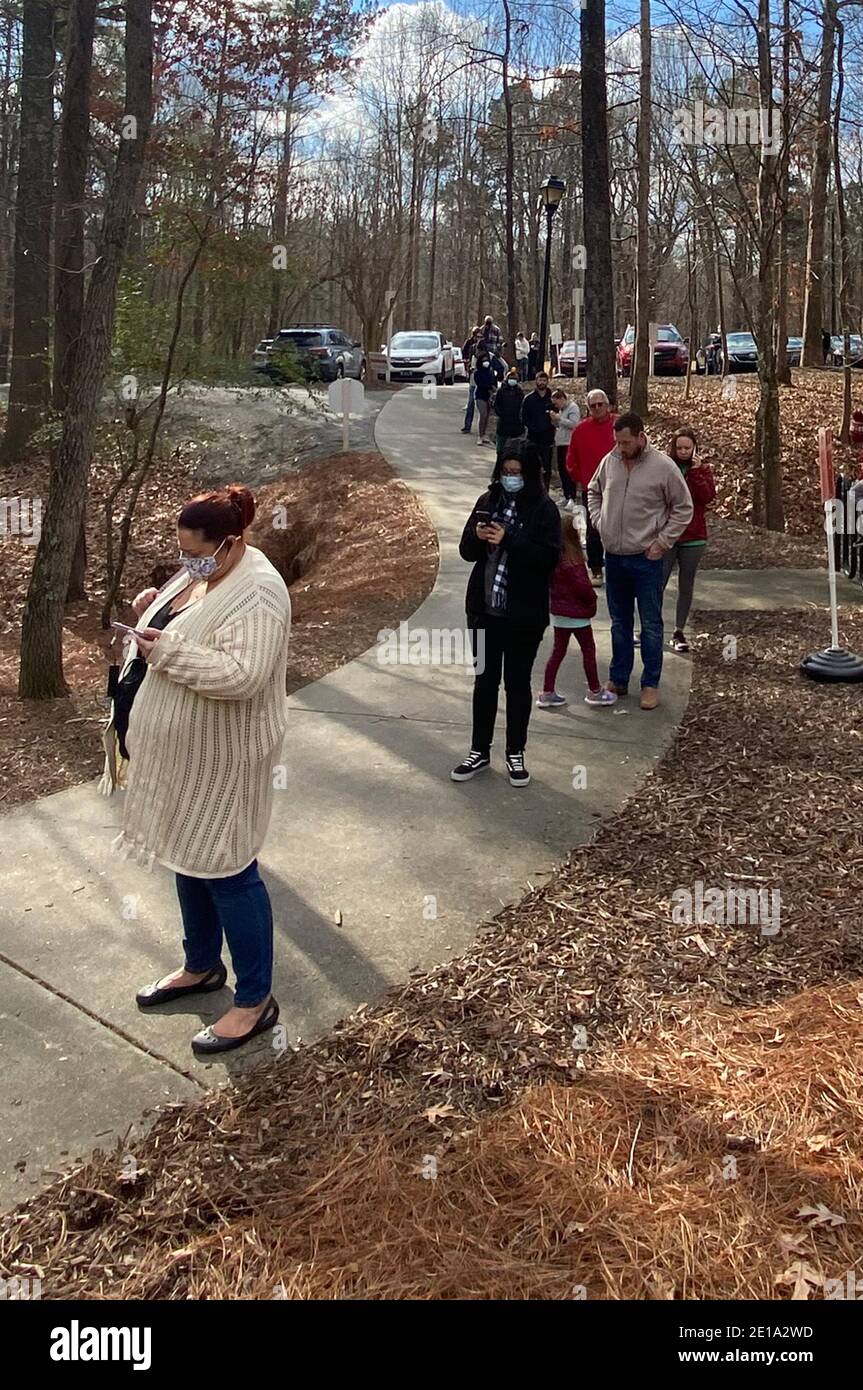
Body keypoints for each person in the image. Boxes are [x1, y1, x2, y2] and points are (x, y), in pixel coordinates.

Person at [100, 485, 291, 1055]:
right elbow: (189, 624)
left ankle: (255, 1000)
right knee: (189, 859)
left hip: (224, 759)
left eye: (198, 555)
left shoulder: (260, 591)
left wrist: (168, 652)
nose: (189, 564)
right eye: (183, 553)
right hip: (182, 758)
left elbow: (243, 675)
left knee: (229, 869)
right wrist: (150, 614)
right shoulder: (202, 573)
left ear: (232, 543)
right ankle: (202, 966)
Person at [452, 441, 561, 787]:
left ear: (529, 474)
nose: (511, 478)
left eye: (517, 473)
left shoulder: (544, 510)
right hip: (484, 612)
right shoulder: (488, 502)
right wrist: (478, 535)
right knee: (485, 681)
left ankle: (515, 751)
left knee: (516, 684)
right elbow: (466, 552)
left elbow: (548, 560)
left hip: (523, 616)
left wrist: (510, 539)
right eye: (506, 472)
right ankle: (479, 750)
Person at [588, 412, 693, 711]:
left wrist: (662, 542)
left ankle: (650, 683)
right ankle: (619, 679)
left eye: (626, 442)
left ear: (640, 437)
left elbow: (683, 508)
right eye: (617, 442)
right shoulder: (609, 462)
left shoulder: (663, 467)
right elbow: (593, 491)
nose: (621, 448)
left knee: (650, 624)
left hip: (646, 558)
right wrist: (599, 521)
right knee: (620, 623)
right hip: (615, 557)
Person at [537, 512, 617, 709]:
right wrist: (592, 600)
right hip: (578, 615)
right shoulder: (574, 562)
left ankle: (547, 691)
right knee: (588, 651)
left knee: (557, 652)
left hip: (559, 614)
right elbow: (583, 588)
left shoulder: (553, 559)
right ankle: (595, 690)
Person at [662, 427, 716, 652]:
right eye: (680, 447)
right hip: (667, 535)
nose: (683, 452)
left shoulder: (702, 470)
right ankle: (648, 628)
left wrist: (696, 472)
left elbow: (707, 497)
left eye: (688, 448)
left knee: (686, 584)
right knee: (656, 583)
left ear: (695, 449)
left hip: (694, 536)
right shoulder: (664, 468)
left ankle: (679, 631)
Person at [566, 388, 616, 584]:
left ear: (608, 405)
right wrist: (582, 479)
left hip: (618, 486)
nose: (597, 408)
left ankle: (617, 566)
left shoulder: (619, 424)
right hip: (592, 487)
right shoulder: (580, 429)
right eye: (592, 405)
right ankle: (595, 568)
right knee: (594, 528)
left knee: (617, 526)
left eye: (600, 404)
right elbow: (571, 461)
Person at [521, 370, 558, 491]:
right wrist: (533, 427)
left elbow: (558, 414)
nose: (542, 382)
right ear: (536, 381)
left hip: (547, 438)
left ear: (547, 382)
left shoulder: (552, 399)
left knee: (546, 467)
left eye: (544, 380)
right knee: (531, 465)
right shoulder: (529, 399)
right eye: (540, 380)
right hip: (533, 437)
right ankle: (531, 489)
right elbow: (523, 417)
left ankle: (545, 491)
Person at [551, 389, 580, 500]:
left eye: (556, 403)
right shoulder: (562, 410)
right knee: (561, 470)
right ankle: (566, 494)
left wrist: (559, 418)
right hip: (560, 442)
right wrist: (554, 420)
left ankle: (571, 496)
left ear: (562, 399)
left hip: (568, 443)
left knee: (568, 471)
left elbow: (574, 424)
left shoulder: (573, 408)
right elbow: (560, 425)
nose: (556, 406)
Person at [473, 350, 505, 444]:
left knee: (487, 416)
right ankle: (479, 435)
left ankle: (484, 434)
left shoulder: (491, 372)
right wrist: (490, 387)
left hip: (489, 396)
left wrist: (494, 388)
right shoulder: (477, 373)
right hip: (480, 395)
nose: (486, 362)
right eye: (483, 360)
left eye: (487, 360)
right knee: (482, 414)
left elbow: (494, 381)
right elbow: (481, 384)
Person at [493, 368, 525, 461]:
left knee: (514, 450)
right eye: (511, 378)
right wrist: (502, 414)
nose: (513, 380)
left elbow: (522, 407)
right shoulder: (501, 391)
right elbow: (496, 405)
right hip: (503, 424)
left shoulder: (520, 392)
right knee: (500, 450)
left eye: (515, 378)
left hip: (516, 425)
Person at [460, 326, 482, 433]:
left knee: (483, 407)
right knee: (471, 403)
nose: (477, 338)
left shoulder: (485, 348)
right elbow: (465, 354)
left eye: (479, 336)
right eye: (476, 335)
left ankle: (482, 431)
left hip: (483, 381)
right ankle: (467, 426)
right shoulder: (471, 345)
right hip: (473, 379)